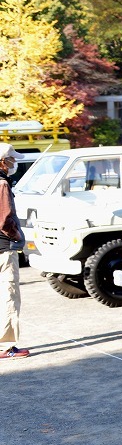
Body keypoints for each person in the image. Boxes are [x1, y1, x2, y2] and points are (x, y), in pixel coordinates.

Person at [0, 143, 29, 359]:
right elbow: (5, 220)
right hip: (4, 249)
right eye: (10, 159)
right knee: (9, 296)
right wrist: (17, 235)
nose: (13, 163)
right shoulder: (2, 184)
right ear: (2, 162)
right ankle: (7, 347)